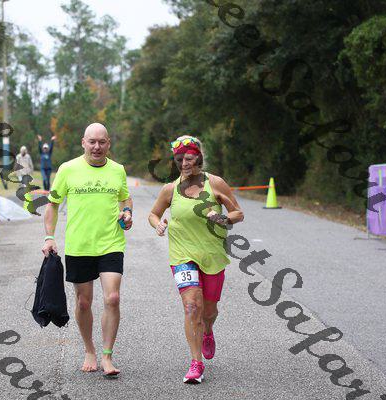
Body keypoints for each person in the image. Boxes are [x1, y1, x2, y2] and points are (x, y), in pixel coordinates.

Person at [148, 135, 244, 384]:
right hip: (182, 255)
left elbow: (238, 213)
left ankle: (208, 331)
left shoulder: (216, 183)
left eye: (189, 158)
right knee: (192, 306)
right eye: (179, 159)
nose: (184, 164)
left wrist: (222, 219)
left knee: (208, 311)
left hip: (212, 255)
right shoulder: (170, 189)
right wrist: (158, 225)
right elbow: (153, 214)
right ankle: (196, 362)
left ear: (198, 158)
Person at [41, 123, 133, 377]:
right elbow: (53, 204)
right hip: (79, 245)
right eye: (92, 142)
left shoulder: (118, 170)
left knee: (112, 298)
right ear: (83, 142)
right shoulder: (67, 169)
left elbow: (125, 198)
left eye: (102, 142)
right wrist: (49, 237)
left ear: (108, 143)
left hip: (111, 243)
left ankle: (107, 356)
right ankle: (89, 350)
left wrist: (127, 212)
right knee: (83, 302)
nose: (97, 147)